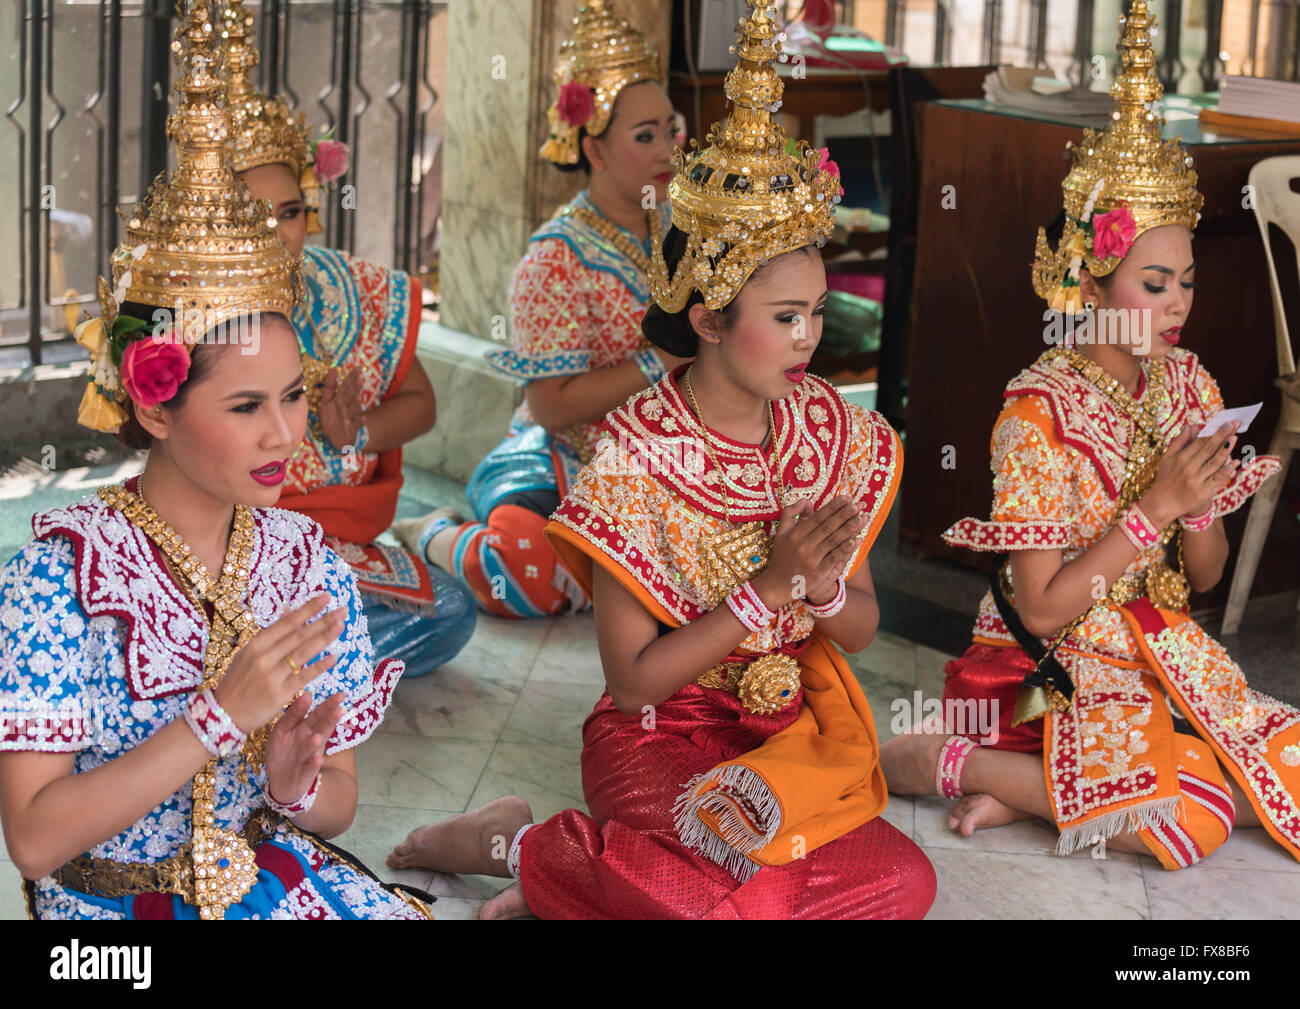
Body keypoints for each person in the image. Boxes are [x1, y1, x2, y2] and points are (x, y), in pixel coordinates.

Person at [386, 1, 936, 919]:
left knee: (902, 884)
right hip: (659, 732)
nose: (812, 339)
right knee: (728, 907)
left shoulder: (831, 432)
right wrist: (769, 588)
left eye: (816, 311)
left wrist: (823, 587)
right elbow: (633, 679)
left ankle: (606, 882)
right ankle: (519, 845)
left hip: (782, 737)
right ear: (712, 320)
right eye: (786, 317)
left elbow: (861, 629)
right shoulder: (637, 453)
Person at [0, 2, 430, 919]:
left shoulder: (305, 564)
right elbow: (33, 839)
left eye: (293, 395)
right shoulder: (59, 576)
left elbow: (340, 793)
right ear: (154, 405)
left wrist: (293, 782)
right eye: (244, 406)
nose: (286, 434)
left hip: (266, 882)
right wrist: (215, 718)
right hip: (110, 917)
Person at [881, 0, 1298, 871]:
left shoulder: (1189, 382)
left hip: (1163, 651)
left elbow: (1208, 577)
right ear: (1091, 284)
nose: (1180, 303)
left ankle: (1037, 790)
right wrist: (1154, 505)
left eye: (1185, 280)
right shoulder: (1038, 411)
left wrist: (1196, 505)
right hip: (1054, 666)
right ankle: (953, 758)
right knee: (1190, 811)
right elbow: (1038, 605)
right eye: (1154, 282)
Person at [392, 0, 691, 619]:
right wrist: (660, 360)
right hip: (571, 455)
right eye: (645, 136)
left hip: (677, 457)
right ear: (596, 150)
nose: (667, 149)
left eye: (671, 128)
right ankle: (433, 535)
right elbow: (552, 404)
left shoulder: (686, 229)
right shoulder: (556, 256)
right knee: (528, 572)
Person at [221, 0, 475, 676]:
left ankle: (269, 680)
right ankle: (272, 676)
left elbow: (420, 405)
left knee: (450, 607)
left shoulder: (349, 293)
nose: (276, 232)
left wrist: (353, 432)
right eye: (250, 215)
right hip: (219, 539)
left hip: (327, 545)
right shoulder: (189, 308)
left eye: (290, 212)